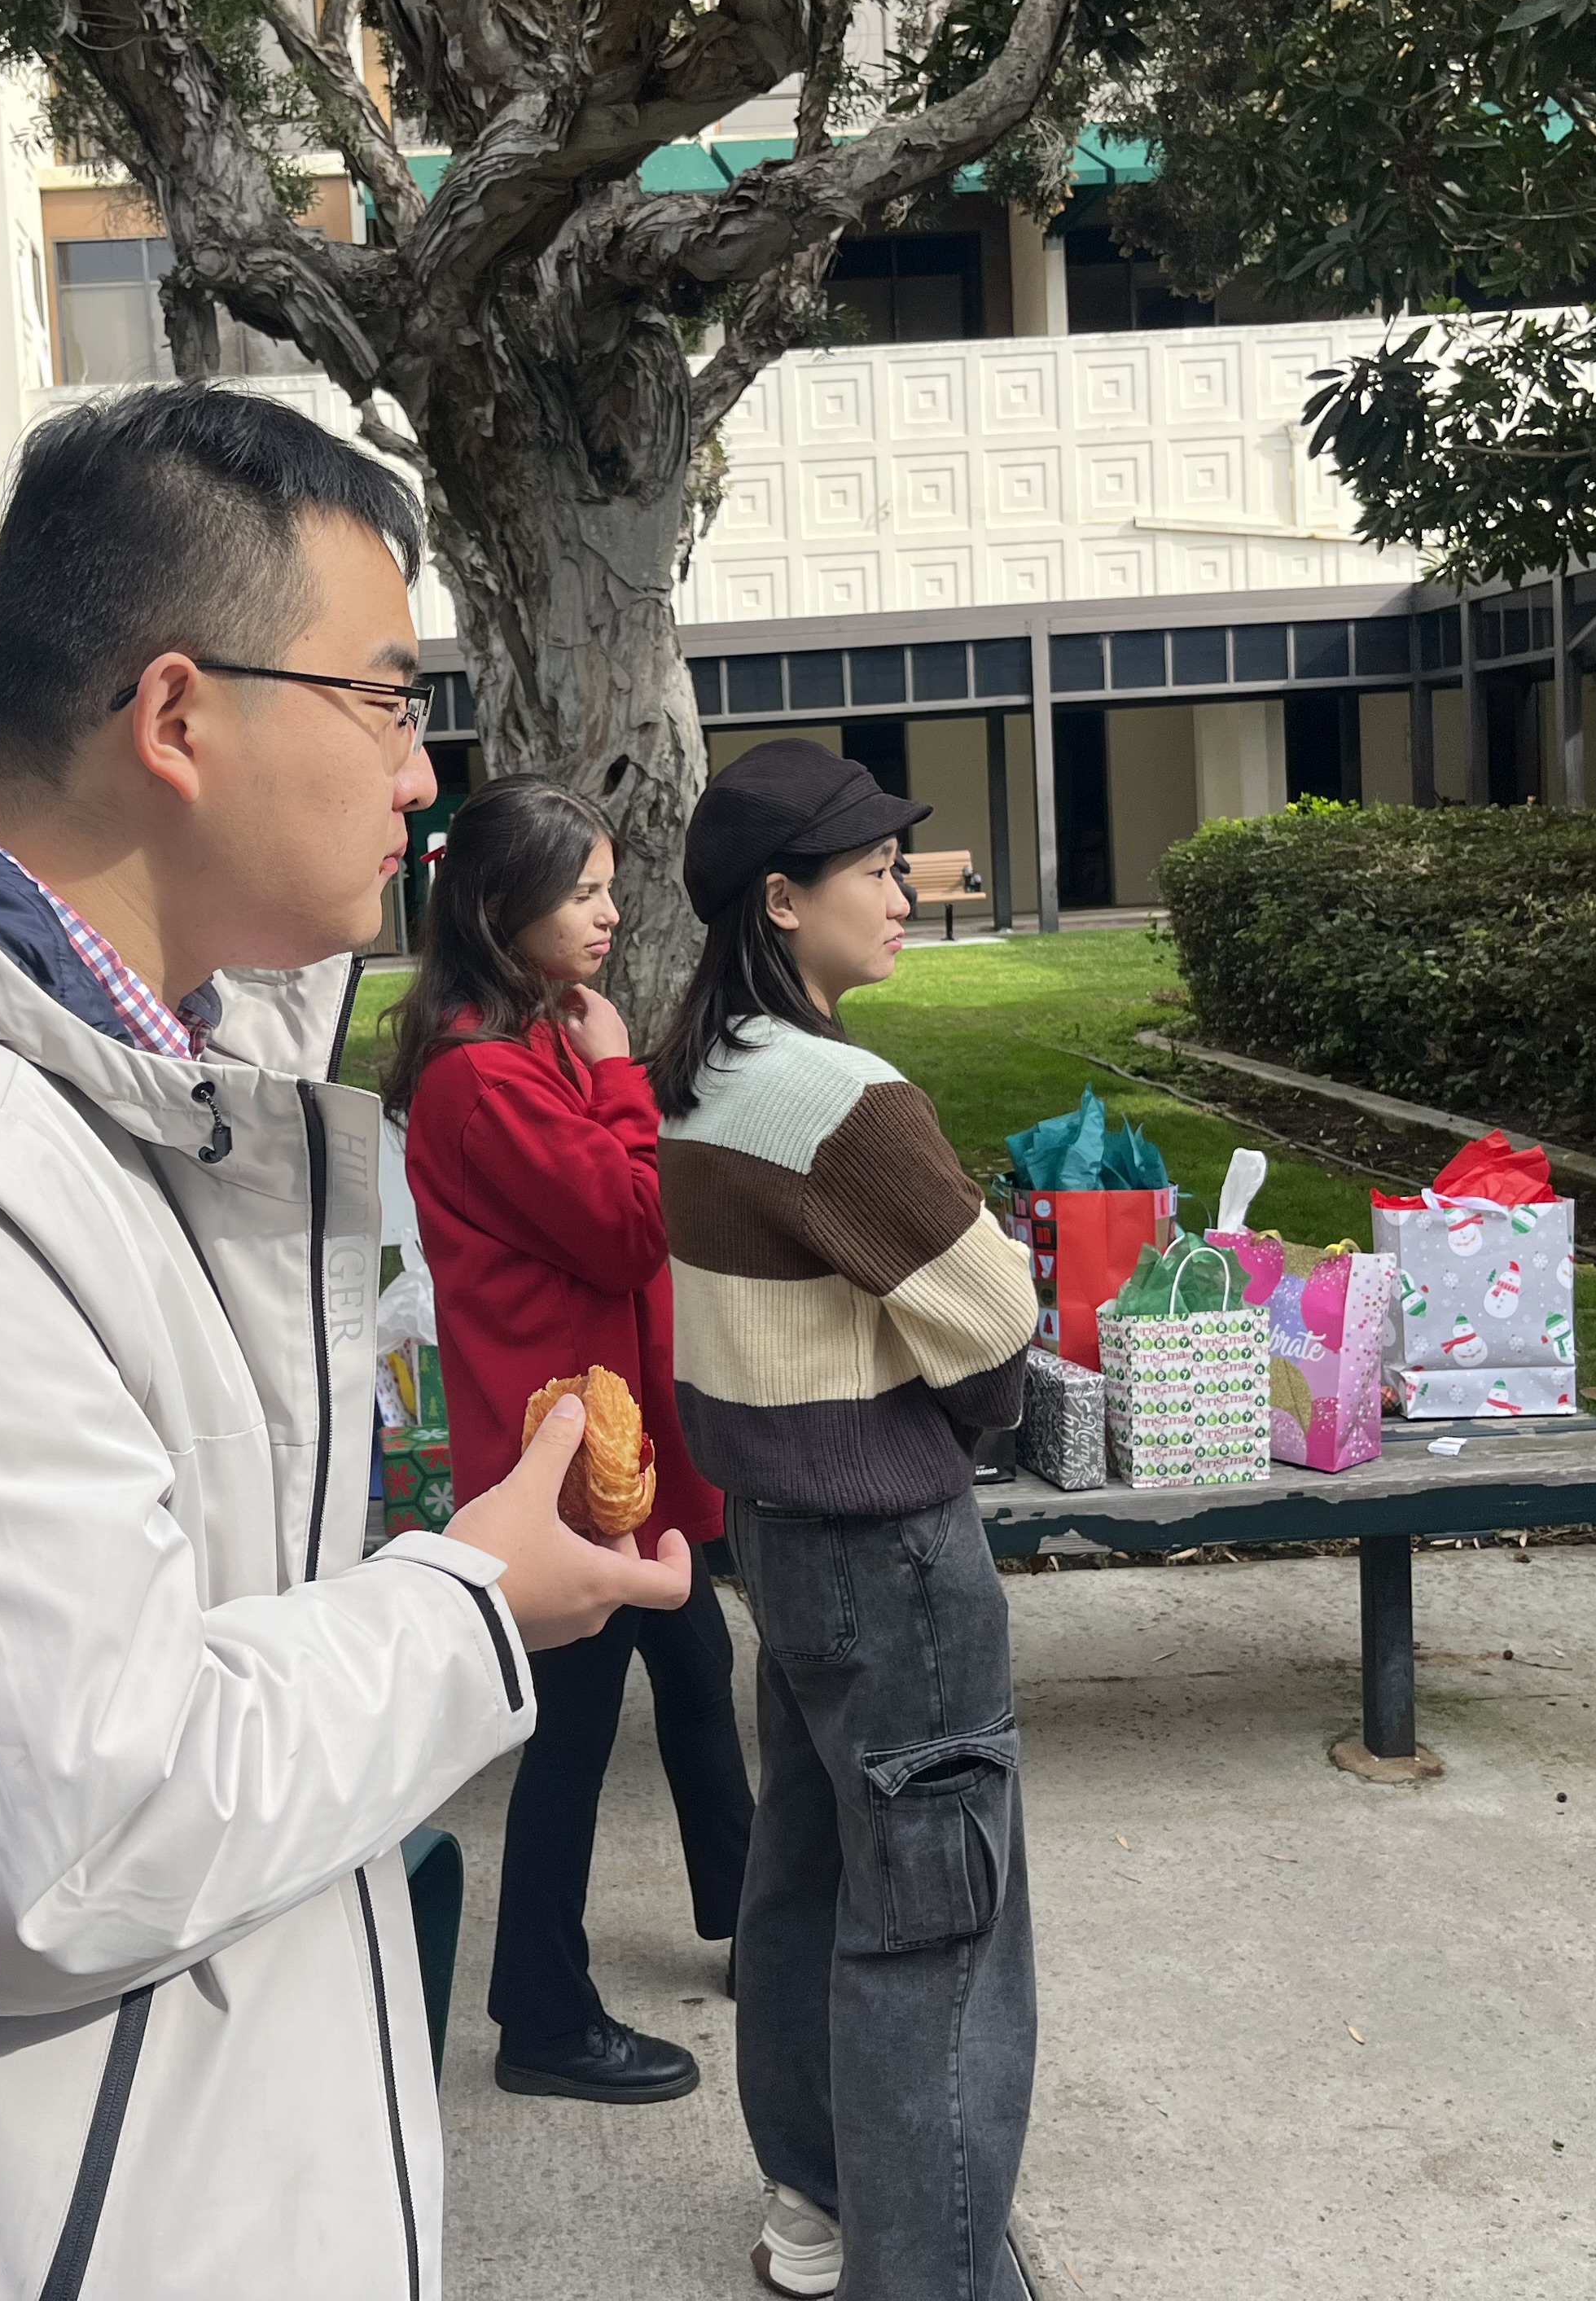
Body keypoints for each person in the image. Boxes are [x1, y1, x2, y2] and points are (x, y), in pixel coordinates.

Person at [0, 383, 693, 2301]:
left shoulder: (156, 1098)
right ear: (178, 717)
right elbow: (62, 1842)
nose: (422, 779)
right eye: (383, 702)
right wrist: (469, 1609)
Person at [651, 738, 1044, 2301]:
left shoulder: (707, 1080)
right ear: (779, 899)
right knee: (937, 1928)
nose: (902, 894)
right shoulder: (839, 1095)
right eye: (873, 870)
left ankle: (814, 2212)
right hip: (891, 1552)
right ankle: (924, 2271)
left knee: (807, 1883)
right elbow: (996, 1325)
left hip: (780, 1539)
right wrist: (974, 1405)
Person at [380, 778, 756, 2106]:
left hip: (616, 1441)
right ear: (501, 908)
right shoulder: (487, 1078)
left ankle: (751, 1924)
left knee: (698, 1669)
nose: (611, 914)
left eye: (608, 888)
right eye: (583, 892)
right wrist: (619, 1075)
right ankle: (539, 2014)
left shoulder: (526, 1040)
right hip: (566, 1462)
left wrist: (598, 1070)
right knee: (577, 1730)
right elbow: (633, 1222)